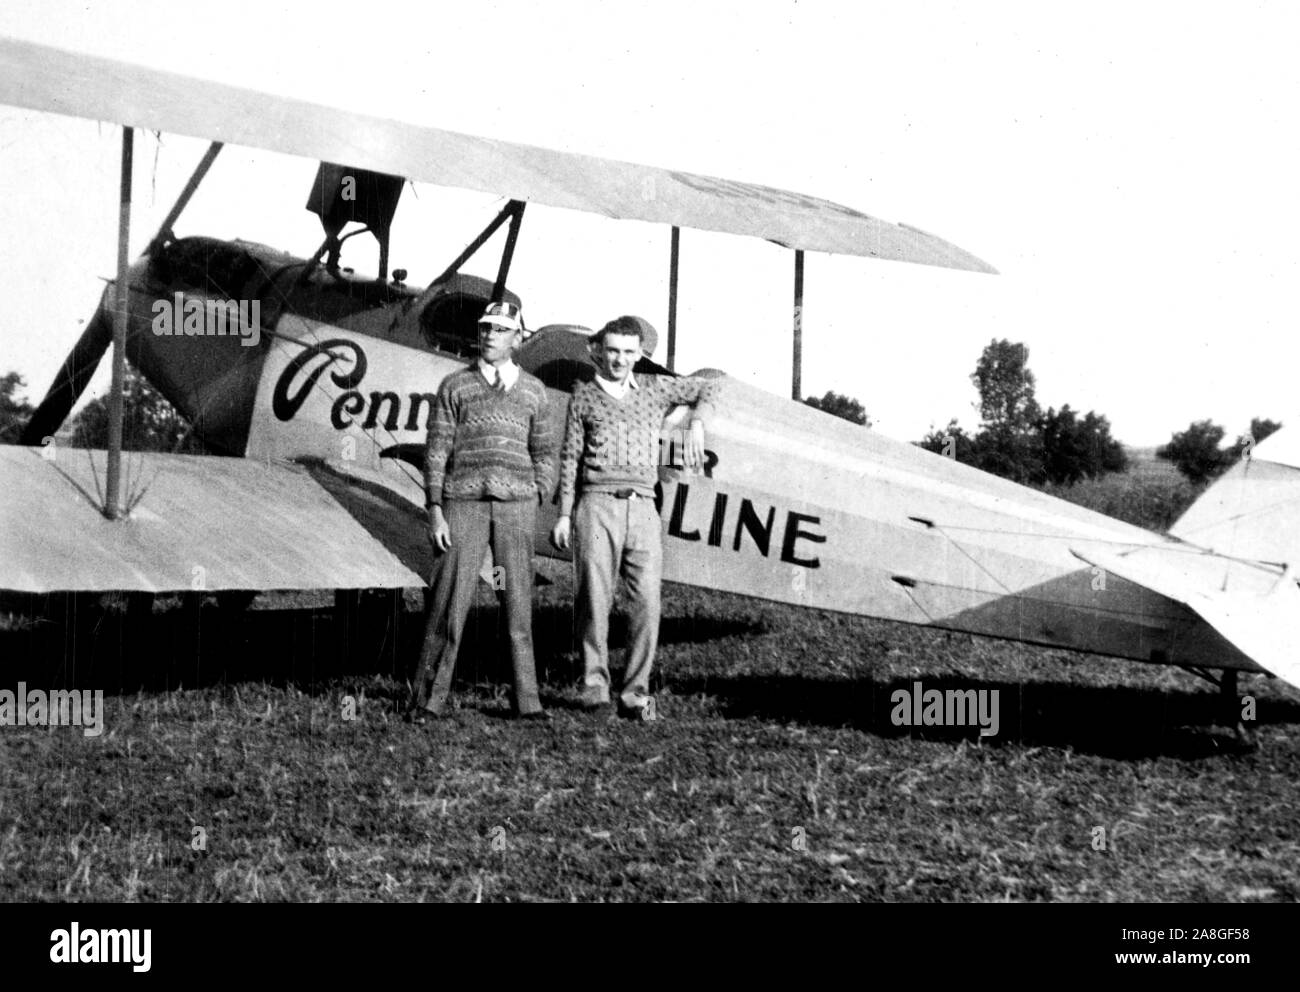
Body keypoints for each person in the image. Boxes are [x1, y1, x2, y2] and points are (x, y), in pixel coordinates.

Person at [551, 315, 717, 721]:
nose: (619, 360)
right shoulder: (584, 396)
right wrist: (563, 514)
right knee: (593, 598)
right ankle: (594, 685)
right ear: (598, 351)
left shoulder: (655, 391)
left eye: (628, 352)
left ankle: (635, 692)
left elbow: (708, 386)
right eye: (612, 350)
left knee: (646, 601)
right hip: (596, 503)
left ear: (639, 354)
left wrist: (697, 422)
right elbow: (570, 457)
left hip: (643, 506)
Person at [409, 300, 555, 722]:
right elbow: (436, 450)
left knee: (516, 604)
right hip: (463, 506)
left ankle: (527, 703)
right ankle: (426, 701)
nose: (490, 335)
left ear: (518, 339)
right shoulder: (455, 385)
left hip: (515, 511)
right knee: (448, 602)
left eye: (500, 329)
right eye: (486, 327)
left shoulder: (534, 390)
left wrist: (536, 493)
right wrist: (435, 508)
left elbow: (545, 450)